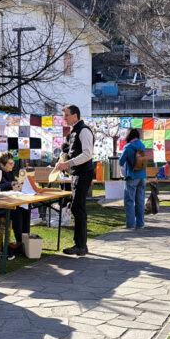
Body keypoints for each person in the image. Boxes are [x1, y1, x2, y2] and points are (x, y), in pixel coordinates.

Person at [54, 104, 94, 256]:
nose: (64, 118)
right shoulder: (74, 131)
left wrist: (67, 163)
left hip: (83, 173)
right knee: (77, 208)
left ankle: (80, 246)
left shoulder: (83, 130)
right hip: (77, 173)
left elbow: (87, 154)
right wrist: (66, 156)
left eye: (66, 115)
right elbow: (74, 151)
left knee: (78, 208)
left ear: (75, 116)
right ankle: (81, 245)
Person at [0, 151, 30, 259]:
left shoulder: (8, 171)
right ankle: (20, 243)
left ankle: (26, 241)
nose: (12, 166)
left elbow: (11, 183)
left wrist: (17, 185)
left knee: (25, 208)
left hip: (6, 201)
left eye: (13, 163)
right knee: (16, 211)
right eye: (10, 164)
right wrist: (10, 185)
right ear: (2, 165)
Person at [119, 128, 147, 229]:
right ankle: (140, 223)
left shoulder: (128, 147)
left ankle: (130, 224)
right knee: (140, 200)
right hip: (142, 176)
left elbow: (121, 162)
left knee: (129, 201)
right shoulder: (142, 145)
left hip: (132, 176)